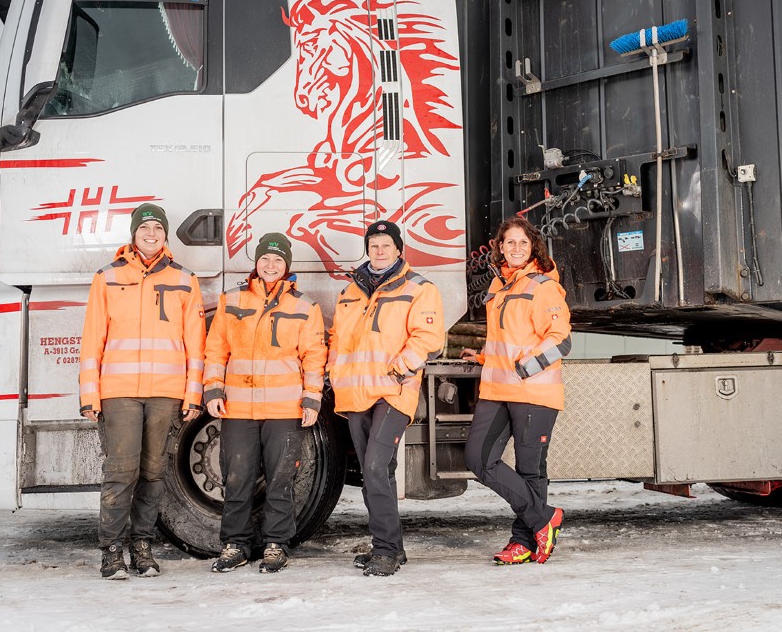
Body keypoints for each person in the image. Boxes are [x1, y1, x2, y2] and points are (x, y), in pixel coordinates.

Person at [78, 203, 206, 580]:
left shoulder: (186, 280)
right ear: (133, 234)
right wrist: (90, 395)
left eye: (158, 228)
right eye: (144, 227)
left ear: (166, 236)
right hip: (119, 393)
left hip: (166, 392)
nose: (151, 233)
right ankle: (112, 552)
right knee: (121, 471)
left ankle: (142, 547)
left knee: (153, 473)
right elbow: (92, 341)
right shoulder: (108, 277)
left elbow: (195, 344)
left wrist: (193, 394)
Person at [203, 233, 327, 574]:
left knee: (280, 480)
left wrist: (311, 399)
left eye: (278, 260)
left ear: (287, 267)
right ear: (256, 264)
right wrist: (213, 389)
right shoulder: (232, 300)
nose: (271, 266)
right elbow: (216, 349)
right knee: (237, 478)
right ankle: (235, 544)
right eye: (265, 259)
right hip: (238, 408)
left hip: (284, 410)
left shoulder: (305, 306)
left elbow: (314, 357)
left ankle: (276, 544)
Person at [328, 220, 445, 576]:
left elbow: (429, 338)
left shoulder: (419, 288)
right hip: (355, 392)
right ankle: (392, 545)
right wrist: (335, 373)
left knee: (377, 466)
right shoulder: (351, 290)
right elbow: (338, 338)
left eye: (386, 245)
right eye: (374, 245)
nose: (379, 251)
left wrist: (399, 369)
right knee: (373, 471)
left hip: (394, 391)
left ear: (399, 249)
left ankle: (386, 550)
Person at [461, 216, 572, 565]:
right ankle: (544, 518)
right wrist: (483, 355)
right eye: (509, 243)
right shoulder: (500, 286)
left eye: (523, 243)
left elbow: (561, 340)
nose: (516, 248)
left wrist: (526, 366)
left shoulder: (543, 286)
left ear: (533, 247)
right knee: (478, 458)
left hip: (533, 391)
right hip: (497, 389)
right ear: (500, 247)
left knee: (529, 470)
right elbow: (510, 339)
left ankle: (523, 542)